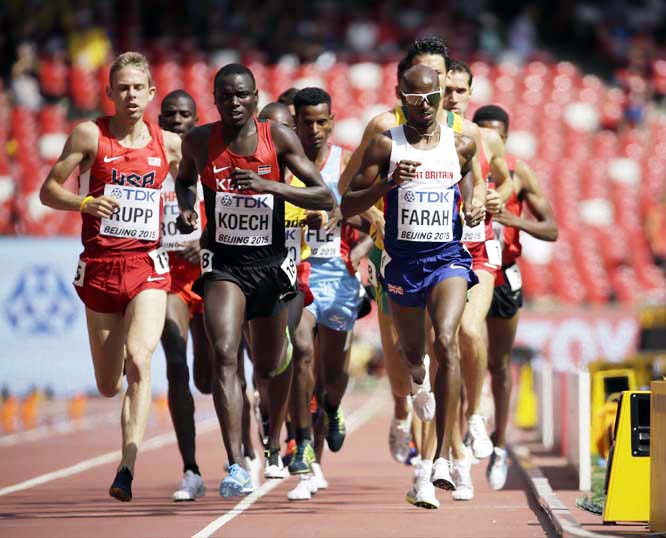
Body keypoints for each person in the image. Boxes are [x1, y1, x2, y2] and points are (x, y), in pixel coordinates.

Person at [175, 63, 334, 498]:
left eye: (242, 95)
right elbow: (185, 181)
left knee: (267, 365)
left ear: (255, 96)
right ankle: (235, 465)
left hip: (271, 267)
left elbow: (323, 195)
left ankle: (273, 430)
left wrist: (271, 185)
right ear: (215, 98)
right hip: (224, 263)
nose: (234, 103)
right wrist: (187, 208)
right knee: (225, 353)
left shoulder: (276, 137)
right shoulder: (199, 141)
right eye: (225, 96)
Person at [39, 52, 182, 502]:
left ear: (152, 93)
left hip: (148, 267)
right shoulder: (89, 135)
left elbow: (196, 189)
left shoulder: (169, 144)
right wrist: (84, 204)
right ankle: (117, 357)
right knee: (107, 384)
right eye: (122, 88)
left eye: (139, 87)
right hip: (100, 267)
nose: (131, 95)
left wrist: (190, 219)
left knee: (141, 360)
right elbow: (48, 190)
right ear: (110, 93)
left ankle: (126, 467)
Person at [339, 37, 484, 479]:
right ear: (404, 89)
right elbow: (345, 197)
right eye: (419, 85)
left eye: (438, 81)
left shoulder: (465, 139)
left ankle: (440, 458)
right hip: (397, 258)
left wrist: (476, 203)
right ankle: (405, 406)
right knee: (409, 357)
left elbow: (473, 186)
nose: (430, 93)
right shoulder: (384, 133)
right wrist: (380, 211)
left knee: (450, 340)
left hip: (447, 257)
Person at [286, 87, 367, 501]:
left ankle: (333, 409)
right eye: (306, 122)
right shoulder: (283, 161)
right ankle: (306, 455)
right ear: (294, 122)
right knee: (302, 352)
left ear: (331, 122)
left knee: (330, 378)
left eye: (321, 122)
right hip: (297, 272)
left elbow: (371, 216)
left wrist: (361, 248)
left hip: (338, 277)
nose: (314, 129)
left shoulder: (345, 162)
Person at [472, 104, 557, 490]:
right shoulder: (461, 163)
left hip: (504, 272)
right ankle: (462, 436)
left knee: (499, 364)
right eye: (482, 131)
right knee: (459, 351)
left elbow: (551, 229)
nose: (489, 138)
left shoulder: (519, 173)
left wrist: (512, 220)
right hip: (470, 268)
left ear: (504, 137)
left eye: (496, 133)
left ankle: (500, 444)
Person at [442, 60, 512, 492]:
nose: (451, 98)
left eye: (459, 90)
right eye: (445, 90)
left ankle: (476, 414)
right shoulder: (419, 139)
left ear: (470, 93)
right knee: (441, 349)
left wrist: (493, 199)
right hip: (435, 252)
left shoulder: (485, 138)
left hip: (478, 247)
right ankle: (454, 456)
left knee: (469, 329)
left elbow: (505, 180)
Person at [158, 90, 217, 501]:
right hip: (166, 280)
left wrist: (207, 241)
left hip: (211, 274)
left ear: (196, 120)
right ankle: (191, 469)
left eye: (185, 115)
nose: (177, 120)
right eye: (170, 115)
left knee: (209, 377)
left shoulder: (210, 162)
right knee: (176, 364)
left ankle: (244, 450)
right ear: (160, 120)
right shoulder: (147, 165)